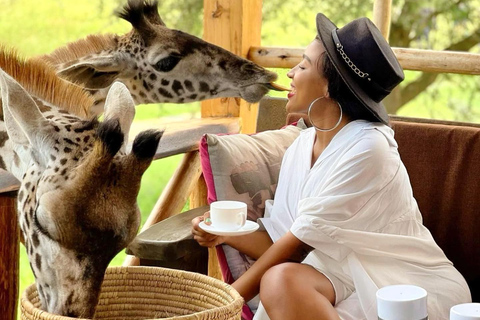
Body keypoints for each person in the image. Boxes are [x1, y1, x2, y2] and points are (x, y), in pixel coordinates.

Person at [191, 13, 471, 320]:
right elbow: (282, 240)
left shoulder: (369, 148)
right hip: (342, 281)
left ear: (330, 87)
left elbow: (294, 249)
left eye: (303, 65)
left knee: (279, 281)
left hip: (405, 286)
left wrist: (216, 307)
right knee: (282, 282)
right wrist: (224, 234)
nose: (289, 74)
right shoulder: (301, 146)